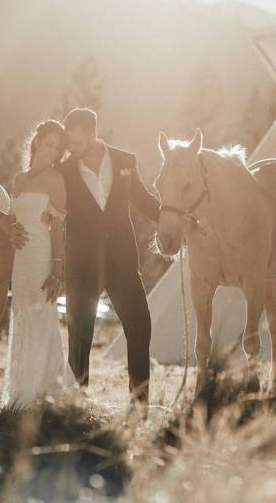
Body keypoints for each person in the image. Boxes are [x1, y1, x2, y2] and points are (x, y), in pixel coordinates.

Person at [58, 108, 160, 408]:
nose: (71, 148)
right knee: (79, 337)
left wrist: (174, 220)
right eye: (69, 143)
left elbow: (143, 201)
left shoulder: (125, 161)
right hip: (82, 263)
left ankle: (139, 404)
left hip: (122, 261)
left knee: (140, 328)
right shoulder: (64, 171)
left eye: (76, 142)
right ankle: (77, 403)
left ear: (92, 133)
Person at [5, 120, 76, 406]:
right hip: (19, 260)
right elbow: (12, 218)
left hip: (42, 256)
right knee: (22, 317)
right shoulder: (20, 180)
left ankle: (45, 389)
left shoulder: (55, 180)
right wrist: (9, 229)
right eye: (49, 144)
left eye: (57, 148)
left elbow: (58, 228)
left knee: (42, 318)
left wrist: (58, 269)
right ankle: (20, 389)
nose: (52, 152)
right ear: (36, 142)